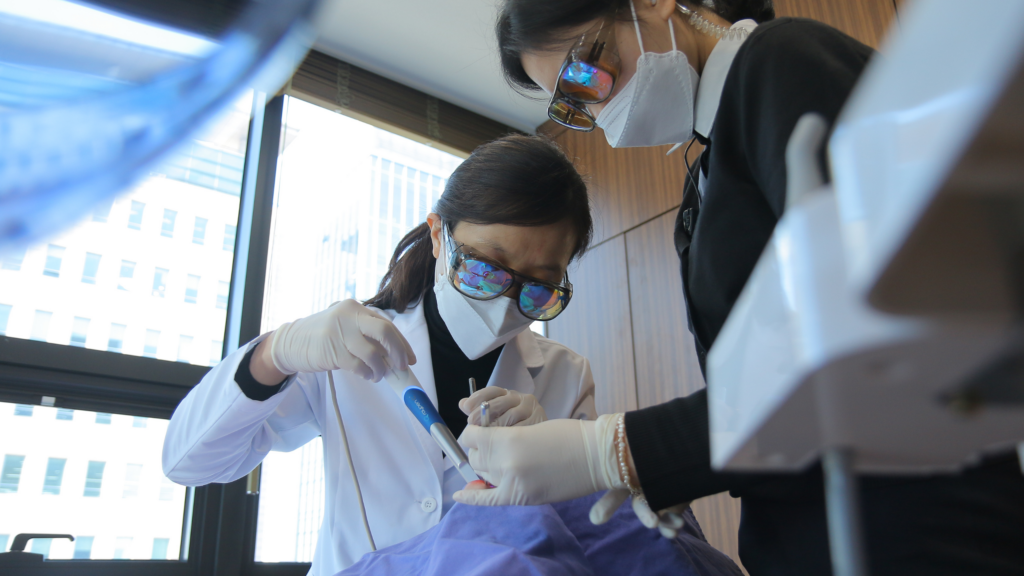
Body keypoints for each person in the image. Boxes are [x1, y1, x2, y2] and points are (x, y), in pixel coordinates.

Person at [454, 1, 1024, 575]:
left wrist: (621, 452)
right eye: (572, 101)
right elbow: (770, 388)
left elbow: (893, 330)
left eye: (587, 69)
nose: (598, 104)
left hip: (920, 537)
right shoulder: (709, 172)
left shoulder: (782, 63)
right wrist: (662, 471)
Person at [162, 134, 598, 575]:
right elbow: (190, 462)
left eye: (539, 286)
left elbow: (589, 535)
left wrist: (556, 464)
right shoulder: (347, 345)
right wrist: (275, 354)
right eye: (484, 267)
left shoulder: (566, 375)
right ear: (437, 235)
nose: (505, 300)